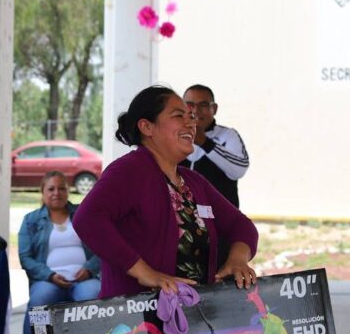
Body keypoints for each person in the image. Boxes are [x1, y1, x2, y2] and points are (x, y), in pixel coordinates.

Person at [73, 85, 259, 300]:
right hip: (139, 322)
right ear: (147, 127)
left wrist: (238, 259)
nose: (192, 122)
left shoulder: (193, 181)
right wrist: (146, 274)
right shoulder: (128, 171)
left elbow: (241, 226)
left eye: (191, 116)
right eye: (179, 115)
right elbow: (87, 219)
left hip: (196, 319)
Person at [10, 171, 101, 334]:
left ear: (68, 191)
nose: (56, 193)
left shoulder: (83, 214)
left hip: (83, 278)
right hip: (49, 279)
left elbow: (102, 247)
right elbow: (26, 257)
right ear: (42, 192)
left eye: (61, 188)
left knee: (93, 295)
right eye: (51, 189)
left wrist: (89, 269)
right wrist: (50, 276)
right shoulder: (31, 220)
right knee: (39, 300)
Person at [180, 84, 250, 208]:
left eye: (203, 105)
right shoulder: (173, 136)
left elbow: (239, 169)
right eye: (190, 105)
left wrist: (205, 142)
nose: (196, 111)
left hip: (221, 221)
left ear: (214, 109)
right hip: (182, 220)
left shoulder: (228, 135)